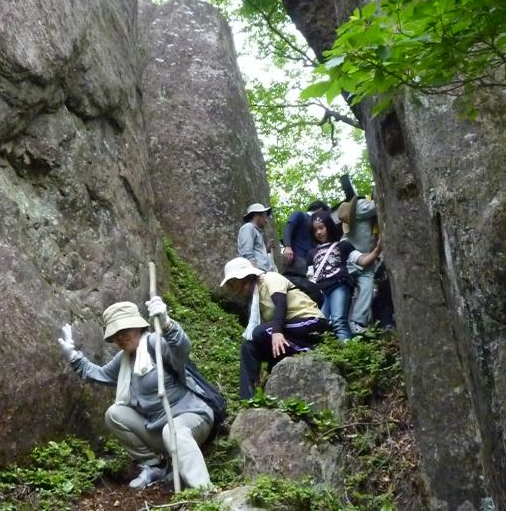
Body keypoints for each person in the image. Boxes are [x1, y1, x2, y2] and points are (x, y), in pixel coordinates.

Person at [56, 297, 213, 490]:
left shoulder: (155, 343)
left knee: (173, 432)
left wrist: (167, 324)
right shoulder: (124, 360)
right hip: (159, 430)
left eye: (125, 330)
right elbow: (99, 375)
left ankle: (204, 491)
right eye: (116, 334)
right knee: (114, 414)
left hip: (192, 417)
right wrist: (73, 355)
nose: (121, 337)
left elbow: (181, 350)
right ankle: (154, 466)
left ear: (138, 327)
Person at [220, 257, 329, 399]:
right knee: (248, 346)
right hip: (290, 329)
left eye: (233, 283)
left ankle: (310, 349)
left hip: (310, 322)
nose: (235, 289)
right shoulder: (255, 299)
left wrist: (277, 332)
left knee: (258, 333)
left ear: (244, 278)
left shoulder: (270, 278)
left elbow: (281, 304)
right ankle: (248, 397)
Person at [306, 211, 382, 341]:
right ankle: (338, 351)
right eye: (315, 230)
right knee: (323, 326)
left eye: (321, 227)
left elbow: (362, 261)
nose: (319, 232)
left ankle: (349, 353)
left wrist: (377, 250)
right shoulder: (311, 253)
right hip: (323, 292)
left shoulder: (343, 245)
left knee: (338, 321)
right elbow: (311, 276)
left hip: (339, 286)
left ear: (329, 226)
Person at [338, 195, 378, 334]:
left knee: (367, 286)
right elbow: (378, 205)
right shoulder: (362, 206)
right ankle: (341, 322)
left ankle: (357, 321)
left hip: (365, 259)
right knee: (345, 290)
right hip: (351, 257)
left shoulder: (360, 207)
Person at [282, 200, 331, 277]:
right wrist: (287, 246)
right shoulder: (300, 215)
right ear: (320, 210)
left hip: (312, 262)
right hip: (298, 258)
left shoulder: (316, 227)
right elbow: (289, 226)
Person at [237, 203, 277, 272]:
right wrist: (254, 272)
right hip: (256, 271)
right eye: (265, 216)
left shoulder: (257, 232)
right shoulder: (248, 227)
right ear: (257, 215)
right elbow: (247, 252)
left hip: (262, 271)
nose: (266, 221)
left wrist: (267, 249)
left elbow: (258, 254)